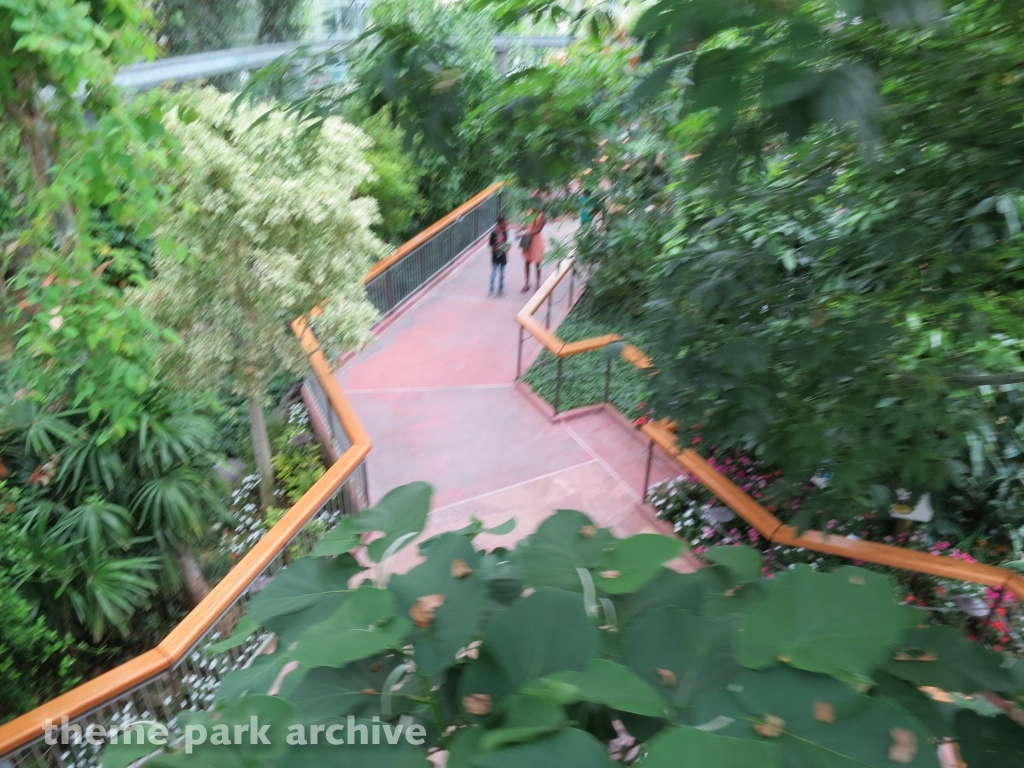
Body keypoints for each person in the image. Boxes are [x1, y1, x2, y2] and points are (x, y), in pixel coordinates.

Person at [520, 209, 546, 292]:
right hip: (527, 239)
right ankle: (527, 283)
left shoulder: (541, 214)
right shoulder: (529, 211)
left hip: (536, 240)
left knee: (537, 263)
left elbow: (539, 229)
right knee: (527, 262)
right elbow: (528, 224)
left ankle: (538, 284)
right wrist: (521, 228)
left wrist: (528, 233)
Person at [488, 216, 510, 296]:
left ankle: (501, 289)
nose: (506, 225)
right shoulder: (493, 234)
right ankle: (491, 290)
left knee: (502, 274)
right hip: (495, 257)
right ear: (500, 224)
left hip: (503, 256)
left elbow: (505, 243)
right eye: (504, 223)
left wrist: (507, 247)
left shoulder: (505, 233)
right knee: (493, 274)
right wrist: (496, 248)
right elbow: (491, 245)